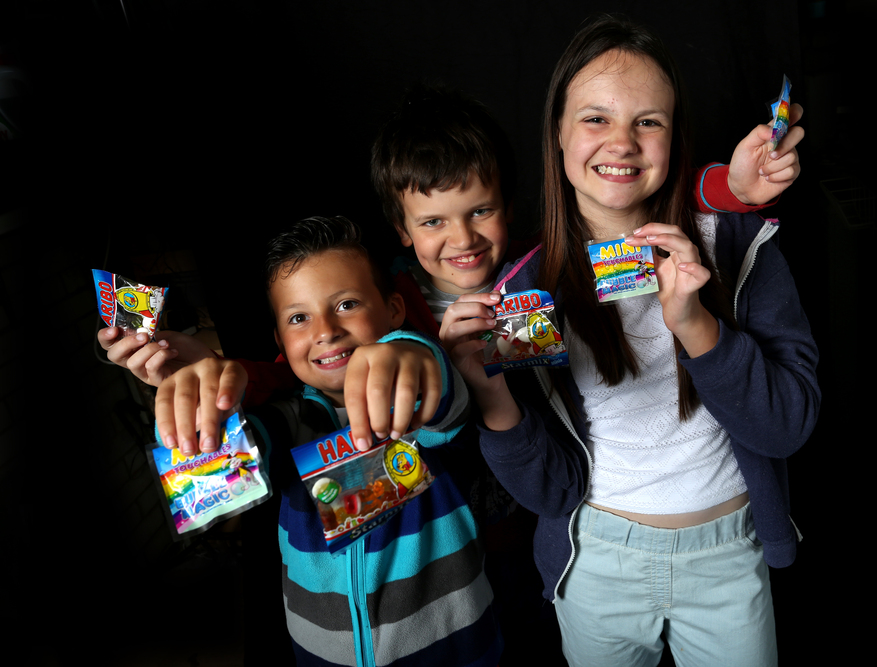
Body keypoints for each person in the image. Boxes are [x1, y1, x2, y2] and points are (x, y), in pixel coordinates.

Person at [97, 83, 802, 442]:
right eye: (432, 222)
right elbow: (301, 372)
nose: (461, 239)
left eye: (479, 211)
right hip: (440, 518)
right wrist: (212, 364)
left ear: (510, 206)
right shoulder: (381, 301)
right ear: (402, 232)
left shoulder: (546, 263)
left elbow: (652, 215)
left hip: (555, 494)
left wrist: (734, 191)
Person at [439, 15, 819, 667]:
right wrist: (489, 394)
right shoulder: (525, 293)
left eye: (648, 121)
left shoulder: (738, 244)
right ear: (558, 133)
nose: (622, 141)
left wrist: (697, 325)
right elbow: (548, 491)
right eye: (595, 118)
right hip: (597, 561)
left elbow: (786, 427)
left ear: (674, 137)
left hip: (729, 554)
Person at [155, 216, 503, 667]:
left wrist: (412, 350)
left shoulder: (418, 407)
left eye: (347, 304)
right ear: (280, 341)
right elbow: (222, 468)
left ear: (394, 310)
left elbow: (440, 396)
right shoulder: (289, 421)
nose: (325, 330)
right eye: (299, 318)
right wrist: (199, 410)